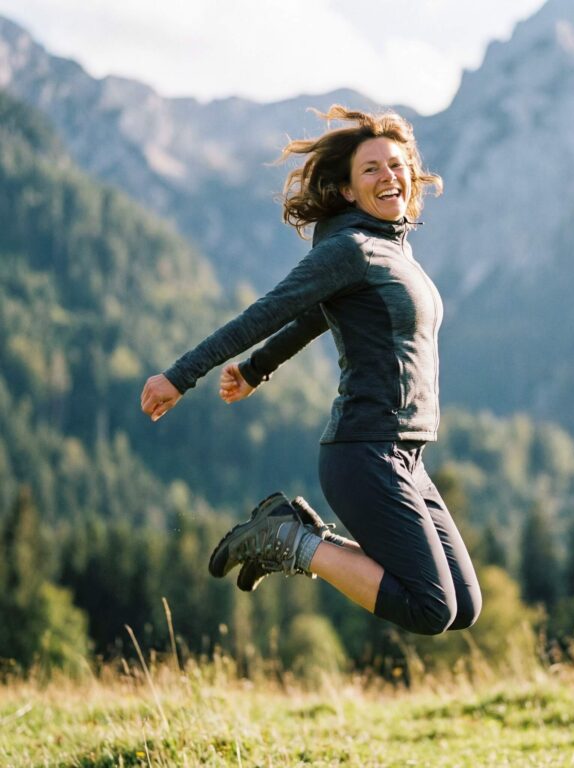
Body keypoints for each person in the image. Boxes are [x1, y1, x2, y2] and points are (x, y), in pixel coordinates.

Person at [140, 106, 481, 635]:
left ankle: (293, 534)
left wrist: (257, 368)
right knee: (432, 608)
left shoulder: (391, 250)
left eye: (396, 165)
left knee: (464, 604)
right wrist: (181, 376)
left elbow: (318, 317)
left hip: (406, 454)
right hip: (365, 450)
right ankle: (287, 538)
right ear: (347, 191)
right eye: (371, 169)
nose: (389, 176)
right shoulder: (351, 248)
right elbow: (271, 310)